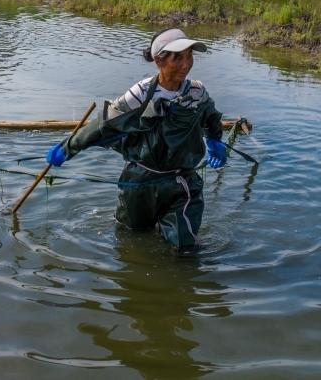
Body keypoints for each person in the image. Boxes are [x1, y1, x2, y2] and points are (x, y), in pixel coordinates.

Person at [45, 28, 228, 252]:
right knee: (129, 237)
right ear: (159, 61)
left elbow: (211, 118)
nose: (186, 64)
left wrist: (215, 141)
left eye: (189, 56)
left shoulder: (197, 92)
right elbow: (104, 125)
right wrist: (68, 148)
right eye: (178, 58)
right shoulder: (141, 94)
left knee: (184, 245)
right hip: (140, 179)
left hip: (182, 181)